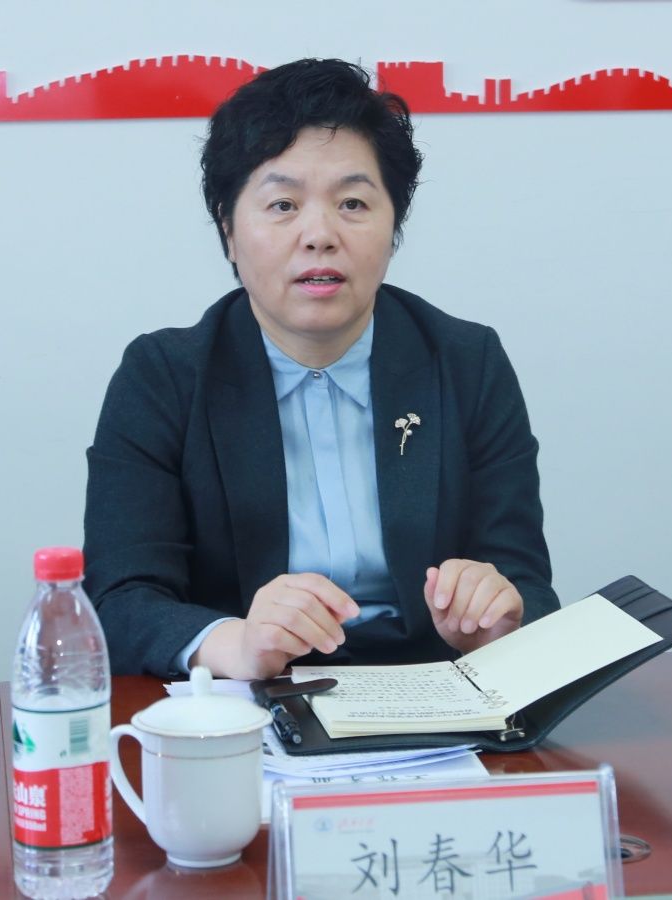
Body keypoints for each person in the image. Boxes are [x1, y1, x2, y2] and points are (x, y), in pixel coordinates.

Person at [84, 59, 558, 679]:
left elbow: (526, 580)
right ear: (228, 230)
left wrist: (498, 622)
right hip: (245, 704)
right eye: (282, 204)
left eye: (353, 203)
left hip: (433, 696)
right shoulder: (165, 377)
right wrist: (237, 644)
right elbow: (119, 601)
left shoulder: (467, 363)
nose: (319, 235)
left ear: (394, 227)